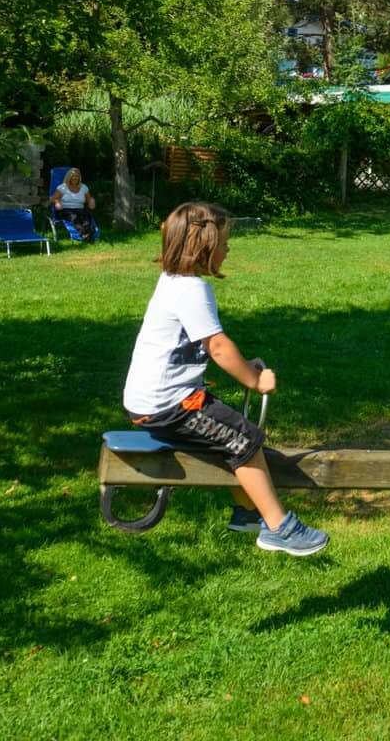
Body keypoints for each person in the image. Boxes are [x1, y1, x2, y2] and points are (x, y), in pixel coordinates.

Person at [121, 201, 329, 557]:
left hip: (152, 403)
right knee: (244, 440)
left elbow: (201, 345)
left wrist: (245, 365)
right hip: (169, 405)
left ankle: (247, 511)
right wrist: (254, 380)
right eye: (224, 242)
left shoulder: (172, 283)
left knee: (226, 436)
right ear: (203, 246)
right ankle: (280, 528)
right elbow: (217, 347)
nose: (228, 248)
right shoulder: (192, 289)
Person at [51, 167, 97, 240]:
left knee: (86, 216)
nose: (75, 178)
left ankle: (88, 232)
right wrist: (57, 202)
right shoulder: (62, 187)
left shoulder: (84, 187)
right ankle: (84, 233)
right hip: (65, 210)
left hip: (79, 209)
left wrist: (91, 200)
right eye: (73, 176)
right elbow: (53, 198)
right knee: (74, 217)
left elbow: (89, 198)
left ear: (79, 177)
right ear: (69, 177)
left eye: (76, 176)